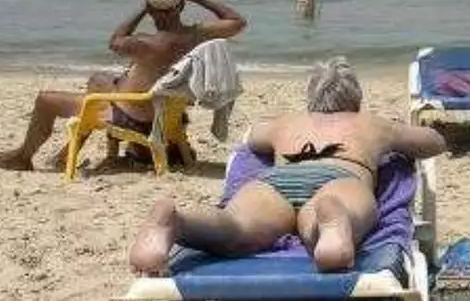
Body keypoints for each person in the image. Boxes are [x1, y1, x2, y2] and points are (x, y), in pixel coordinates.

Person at [129, 57, 445, 274]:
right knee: (325, 220)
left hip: (277, 180)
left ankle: (177, 220)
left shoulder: (285, 123)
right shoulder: (372, 124)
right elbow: (432, 142)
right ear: (356, 99)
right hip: (339, 177)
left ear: (311, 98)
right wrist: (396, 142)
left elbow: (252, 140)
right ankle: (331, 222)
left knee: (235, 227)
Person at [0, 0, 246, 171]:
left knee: (46, 99)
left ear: (152, 9)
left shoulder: (145, 44)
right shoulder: (199, 36)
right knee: (98, 80)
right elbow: (237, 22)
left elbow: (115, 41)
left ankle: (24, 157)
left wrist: (143, 9)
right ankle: (67, 152)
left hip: (134, 118)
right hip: (168, 114)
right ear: (181, 7)